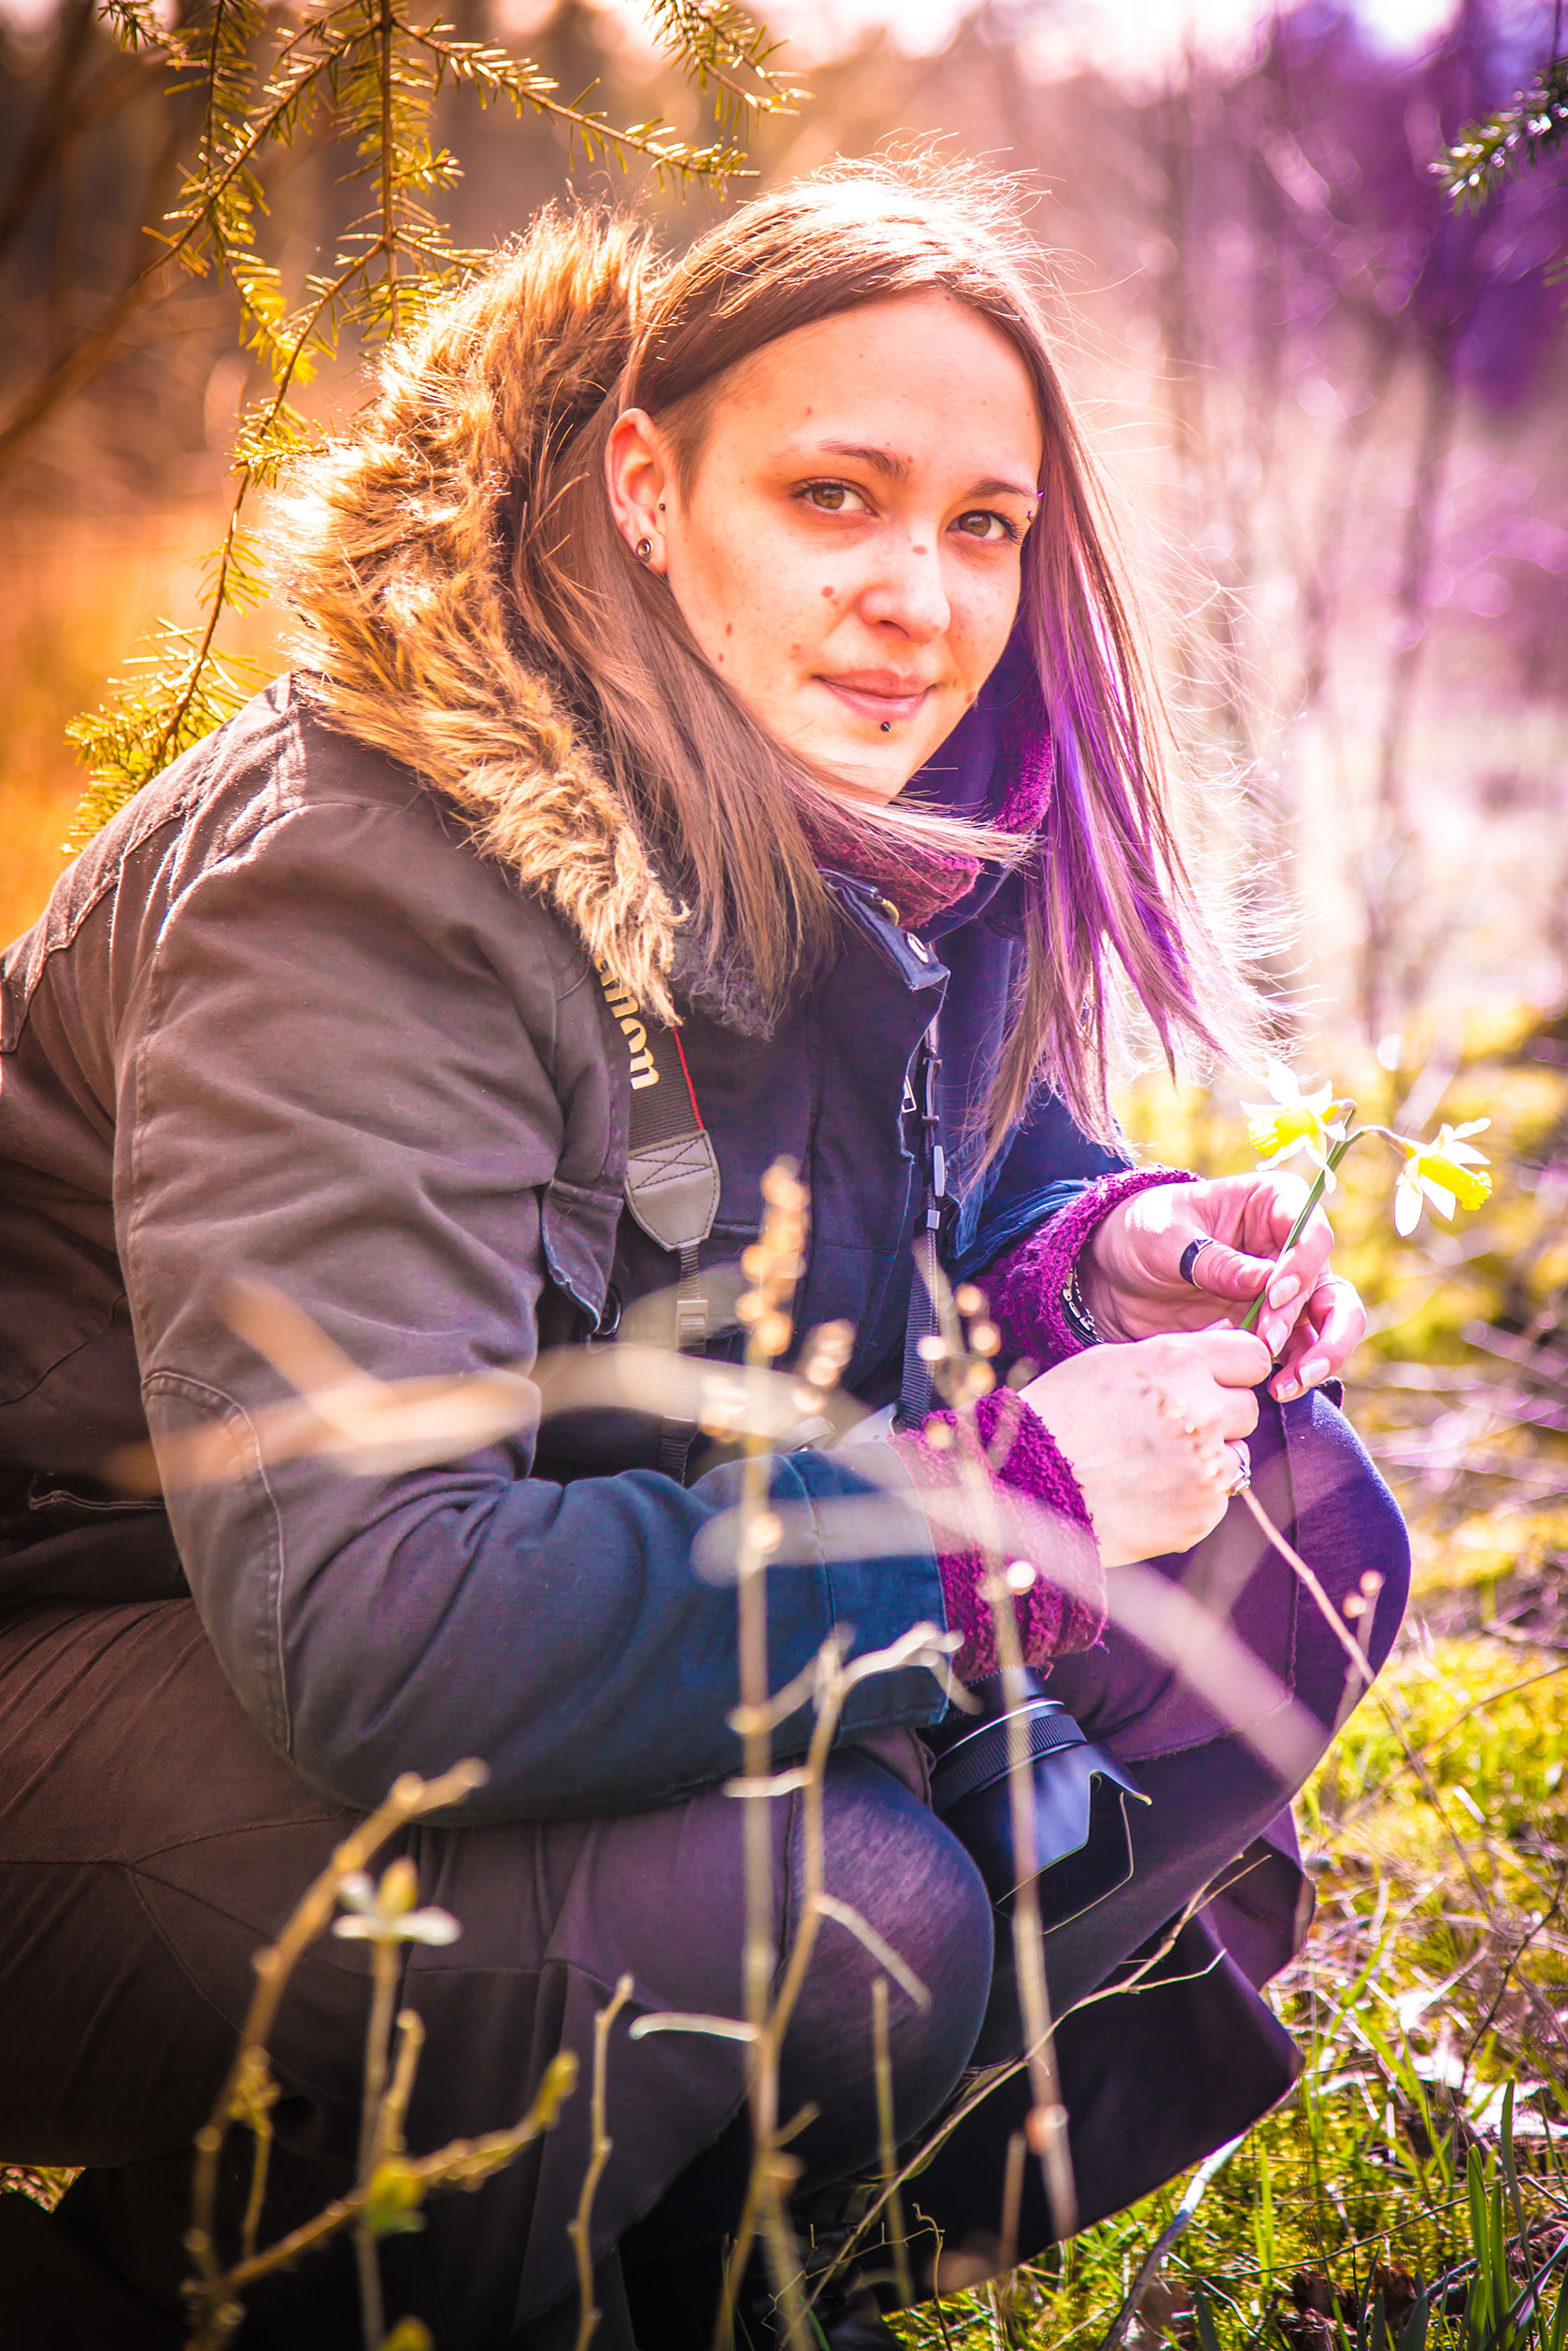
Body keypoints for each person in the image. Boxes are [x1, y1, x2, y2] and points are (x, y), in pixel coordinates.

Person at [0, 161, 1409, 2349]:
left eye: (977, 526)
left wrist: (1093, 1258)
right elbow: (376, 1619)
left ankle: (717, 2269)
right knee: (830, 1904)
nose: (917, 599)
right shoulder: (371, 885)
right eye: (831, 495)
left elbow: (915, 1171)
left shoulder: (820, 804)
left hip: (387, 1633)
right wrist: (988, 1515)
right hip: (77, 1689)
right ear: (644, 489)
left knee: (1282, 1536)